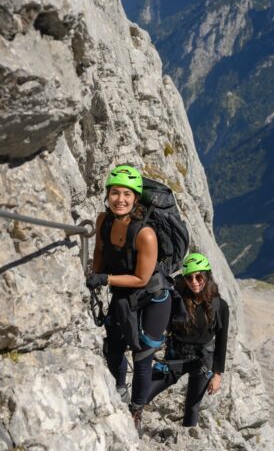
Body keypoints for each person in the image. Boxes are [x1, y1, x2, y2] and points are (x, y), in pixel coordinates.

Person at [86, 165, 172, 435]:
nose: (120, 199)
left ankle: (136, 412)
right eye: (114, 193)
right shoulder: (104, 221)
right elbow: (101, 249)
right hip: (124, 296)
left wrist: (105, 280)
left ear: (136, 198)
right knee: (112, 349)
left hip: (153, 299)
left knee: (143, 356)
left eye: (126, 194)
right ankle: (120, 389)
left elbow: (141, 279)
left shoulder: (145, 233)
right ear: (107, 195)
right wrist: (95, 274)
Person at [146, 252, 229, 427]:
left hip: (202, 361)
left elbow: (221, 342)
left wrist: (217, 375)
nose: (194, 282)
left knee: (192, 407)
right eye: (189, 278)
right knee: (144, 392)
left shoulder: (219, 306)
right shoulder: (177, 296)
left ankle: (187, 436)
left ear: (207, 276)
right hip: (176, 355)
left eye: (199, 277)